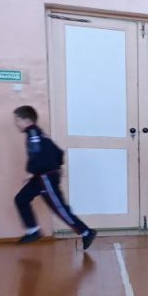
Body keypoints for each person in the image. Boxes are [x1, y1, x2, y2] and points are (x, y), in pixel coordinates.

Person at [12, 106, 97, 249]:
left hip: (46, 177)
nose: (16, 123)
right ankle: (33, 231)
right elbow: (57, 152)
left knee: (59, 208)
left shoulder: (33, 135)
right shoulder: (40, 134)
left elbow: (36, 154)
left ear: (27, 121)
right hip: (41, 176)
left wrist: (32, 171)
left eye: (17, 120)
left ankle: (86, 232)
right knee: (21, 199)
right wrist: (59, 165)